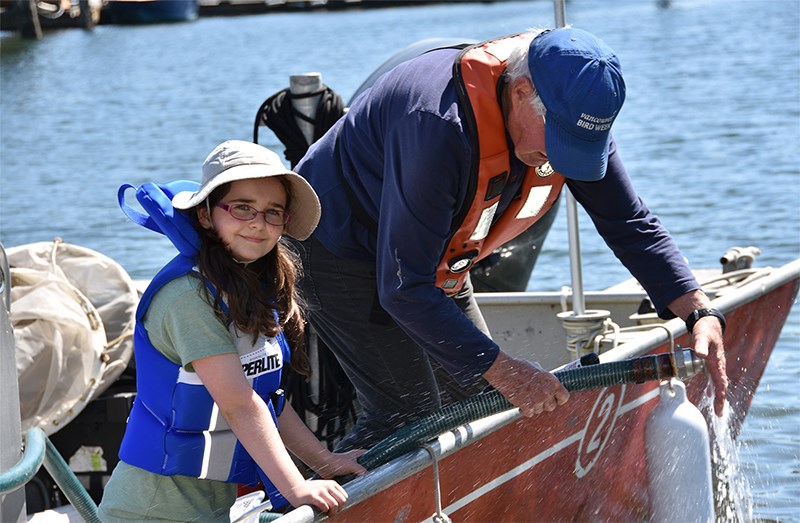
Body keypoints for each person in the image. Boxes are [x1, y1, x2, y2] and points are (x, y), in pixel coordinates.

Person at [291, 27, 728, 452]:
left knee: (479, 405)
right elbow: (405, 286)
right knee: (408, 417)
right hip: (335, 244)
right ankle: (300, 500)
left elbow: (628, 221)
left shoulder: (575, 111)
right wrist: (508, 370)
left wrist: (699, 312)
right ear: (520, 92)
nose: (563, 158)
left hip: (437, 253)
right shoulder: (437, 125)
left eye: (577, 144)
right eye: (559, 141)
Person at [98, 140, 366, 522]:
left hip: (215, 508)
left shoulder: (248, 289)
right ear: (206, 215)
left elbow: (266, 396)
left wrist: (323, 461)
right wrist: (296, 488)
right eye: (242, 208)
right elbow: (239, 403)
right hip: (151, 511)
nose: (258, 223)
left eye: (273, 212)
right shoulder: (187, 297)